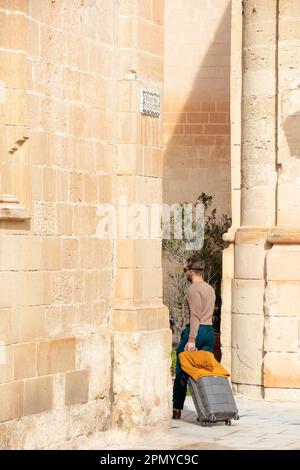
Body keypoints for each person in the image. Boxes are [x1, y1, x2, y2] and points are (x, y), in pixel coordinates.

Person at [172, 257, 216, 419]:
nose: (185, 273)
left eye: (185, 271)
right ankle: (208, 409)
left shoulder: (193, 289)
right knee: (205, 371)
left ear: (191, 271)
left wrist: (191, 340)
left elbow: (196, 315)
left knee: (182, 369)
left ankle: (176, 408)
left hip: (196, 331)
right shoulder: (210, 289)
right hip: (209, 331)